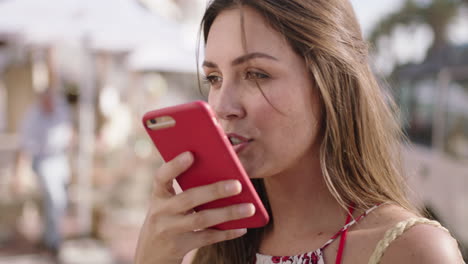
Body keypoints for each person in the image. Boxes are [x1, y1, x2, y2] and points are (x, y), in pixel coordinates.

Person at [134, 0, 465, 263]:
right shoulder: (215, 245)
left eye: (256, 74)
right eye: (214, 78)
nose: (221, 106)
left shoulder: (412, 251)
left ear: (329, 85)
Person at [15, 88, 72, 257]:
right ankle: (54, 241)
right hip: (44, 160)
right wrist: (19, 172)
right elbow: (25, 146)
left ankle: (50, 236)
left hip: (60, 158)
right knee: (55, 199)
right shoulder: (32, 117)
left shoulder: (61, 110)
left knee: (59, 202)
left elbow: (67, 134)